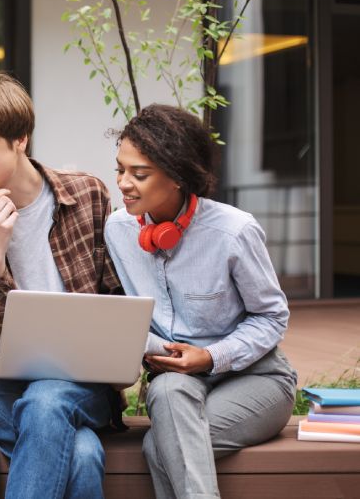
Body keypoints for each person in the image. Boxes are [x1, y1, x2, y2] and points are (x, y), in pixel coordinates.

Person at [0, 71, 125, 499]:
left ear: (20, 140)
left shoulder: (88, 196)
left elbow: (115, 298)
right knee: (82, 454)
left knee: (46, 399)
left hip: (82, 382)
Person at [104, 104, 298, 499]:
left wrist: (210, 357)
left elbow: (272, 317)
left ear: (178, 175)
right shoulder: (118, 230)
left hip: (256, 380)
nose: (124, 183)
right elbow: (122, 315)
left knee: (160, 446)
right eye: (120, 170)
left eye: (139, 174)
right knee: (167, 395)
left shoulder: (234, 231)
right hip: (175, 385)